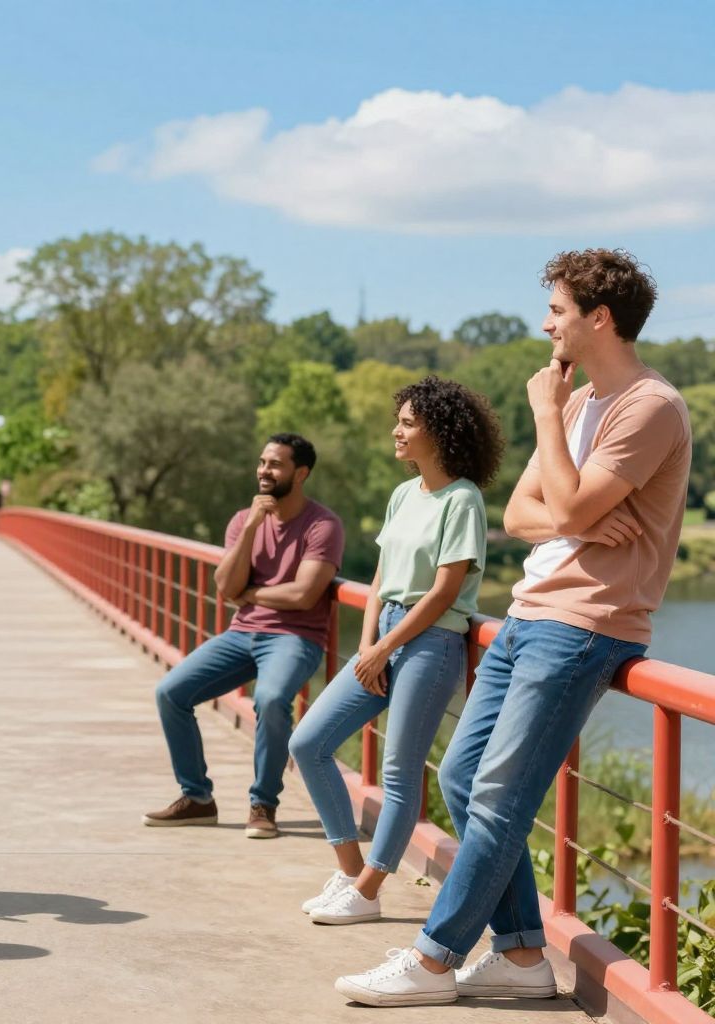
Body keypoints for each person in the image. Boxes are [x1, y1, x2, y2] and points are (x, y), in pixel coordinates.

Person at [336, 249, 690, 1006]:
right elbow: (524, 514)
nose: (546, 323)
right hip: (528, 614)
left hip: (588, 626)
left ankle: (434, 960)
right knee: (462, 777)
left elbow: (558, 511)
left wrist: (546, 425)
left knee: (495, 794)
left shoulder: (649, 407)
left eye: (558, 310)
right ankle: (525, 954)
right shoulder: (580, 405)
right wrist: (578, 509)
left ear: (598, 318)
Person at [290, 378, 502, 924]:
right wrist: (367, 645)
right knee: (308, 741)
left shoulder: (464, 499)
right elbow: (382, 577)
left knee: (400, 774)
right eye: (400, 421)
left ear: (439, 431)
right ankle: (349, 870)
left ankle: (367, 891)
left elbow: (445, 591)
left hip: (431, 644)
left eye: (408, 423)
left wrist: (385, 646)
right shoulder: (403, 494)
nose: (397, 430)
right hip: (383, 635)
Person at [145, 433, 344, 838]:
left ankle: (263, 805)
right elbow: (225, 585)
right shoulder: (243, 519)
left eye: (275, 464)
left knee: (270, 700)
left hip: (294, 637)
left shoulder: (323, 525)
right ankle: (197, 798)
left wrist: (250, 593)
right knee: (170, 693)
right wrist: (253, 525)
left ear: (301, 473)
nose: (264, 471)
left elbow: (304, 595)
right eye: (262, 462)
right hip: (241, 633)